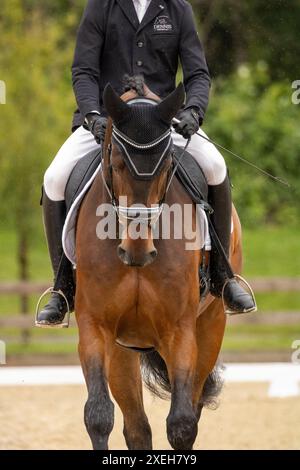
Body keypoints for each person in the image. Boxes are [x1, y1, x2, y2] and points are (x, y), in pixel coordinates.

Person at [36, 0, 255, 327]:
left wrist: (193, 111)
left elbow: (197, 74)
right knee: (54, 178)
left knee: (215, 166)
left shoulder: (178, 8)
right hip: (109, 120)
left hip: (160, 122)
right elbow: (84, 70)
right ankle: (62, 287)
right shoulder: (101, 6)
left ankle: (223, 277)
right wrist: (93, 115)